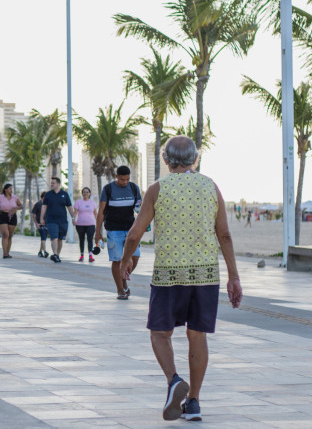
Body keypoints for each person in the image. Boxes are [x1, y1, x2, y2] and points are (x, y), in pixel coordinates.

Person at [119, 136, 242, 422]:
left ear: (166, 159)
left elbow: (135, 233)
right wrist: (234, 276)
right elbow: (224, 234)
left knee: (160, 332)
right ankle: (194, 402)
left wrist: (126, 262)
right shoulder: (210, 186)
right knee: (197, 335)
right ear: (194, 159)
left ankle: (174, 380)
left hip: (168, 275)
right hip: (206, 274)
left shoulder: (157, 189)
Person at [95, 166, 142, 299]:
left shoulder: (133, 188)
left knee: (135, 257)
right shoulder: (108, 189)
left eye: (127, 179)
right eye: (122, 179)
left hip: (131, 228)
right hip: (113, 229)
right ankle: (120, 289)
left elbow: (139, 208)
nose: (125, 182)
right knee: (117, 260)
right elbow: (101, 212)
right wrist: (97, 232)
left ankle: (124, 278)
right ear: (116, 176)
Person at [40, 177, 77, 263]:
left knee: (60, 239)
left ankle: (57, 255)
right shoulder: (48, 195)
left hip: (63, 221)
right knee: (54, 238)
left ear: (58, 184)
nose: (51, 184)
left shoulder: (65, 194)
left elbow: (69, 207)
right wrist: (41, 218)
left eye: (53, 183)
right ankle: (55, 254)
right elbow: (44, 206)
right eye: (51, 183)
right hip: (51, 220)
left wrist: (73, 218)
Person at [74, 187, 98, 263]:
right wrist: (73, 219)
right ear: (82, 193)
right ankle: (82, 255)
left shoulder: (92, 202)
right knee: (81, 239)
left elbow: (95, 213)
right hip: (80, 224)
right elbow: (75, 212)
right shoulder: (78, 202)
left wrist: (98, 223)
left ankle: (90, 256)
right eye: (84, 192)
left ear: (89, 193)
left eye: (87, 192)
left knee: (90, 239)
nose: (85, 193)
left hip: (91, 224)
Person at [31, 192, 49, 258]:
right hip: (40, 224)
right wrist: (36, 223)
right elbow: (33, 215)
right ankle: (45, 251)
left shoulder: (48, 205)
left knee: (43, 238)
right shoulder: (38, 204)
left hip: (47, 224)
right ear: (42, 197)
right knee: (43, 237)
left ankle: (40, 252)